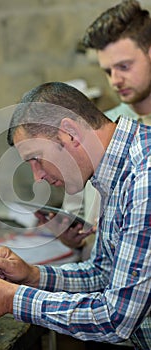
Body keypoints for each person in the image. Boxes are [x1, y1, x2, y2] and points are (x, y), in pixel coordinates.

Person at [0, 82, 151, 349]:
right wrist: (33, 276)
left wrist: (12, 299)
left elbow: (116, 318)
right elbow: (104, 275)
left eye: (37, 158)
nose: (38, 178)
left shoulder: (144, 177)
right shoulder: (115, 173)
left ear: (69, 133)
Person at [58, 0, 151, 255]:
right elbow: (89, 215)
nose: (115, 80)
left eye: (124, 66)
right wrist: (76, 237)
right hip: (102, 277)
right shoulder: (102, 128)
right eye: (107, 71)